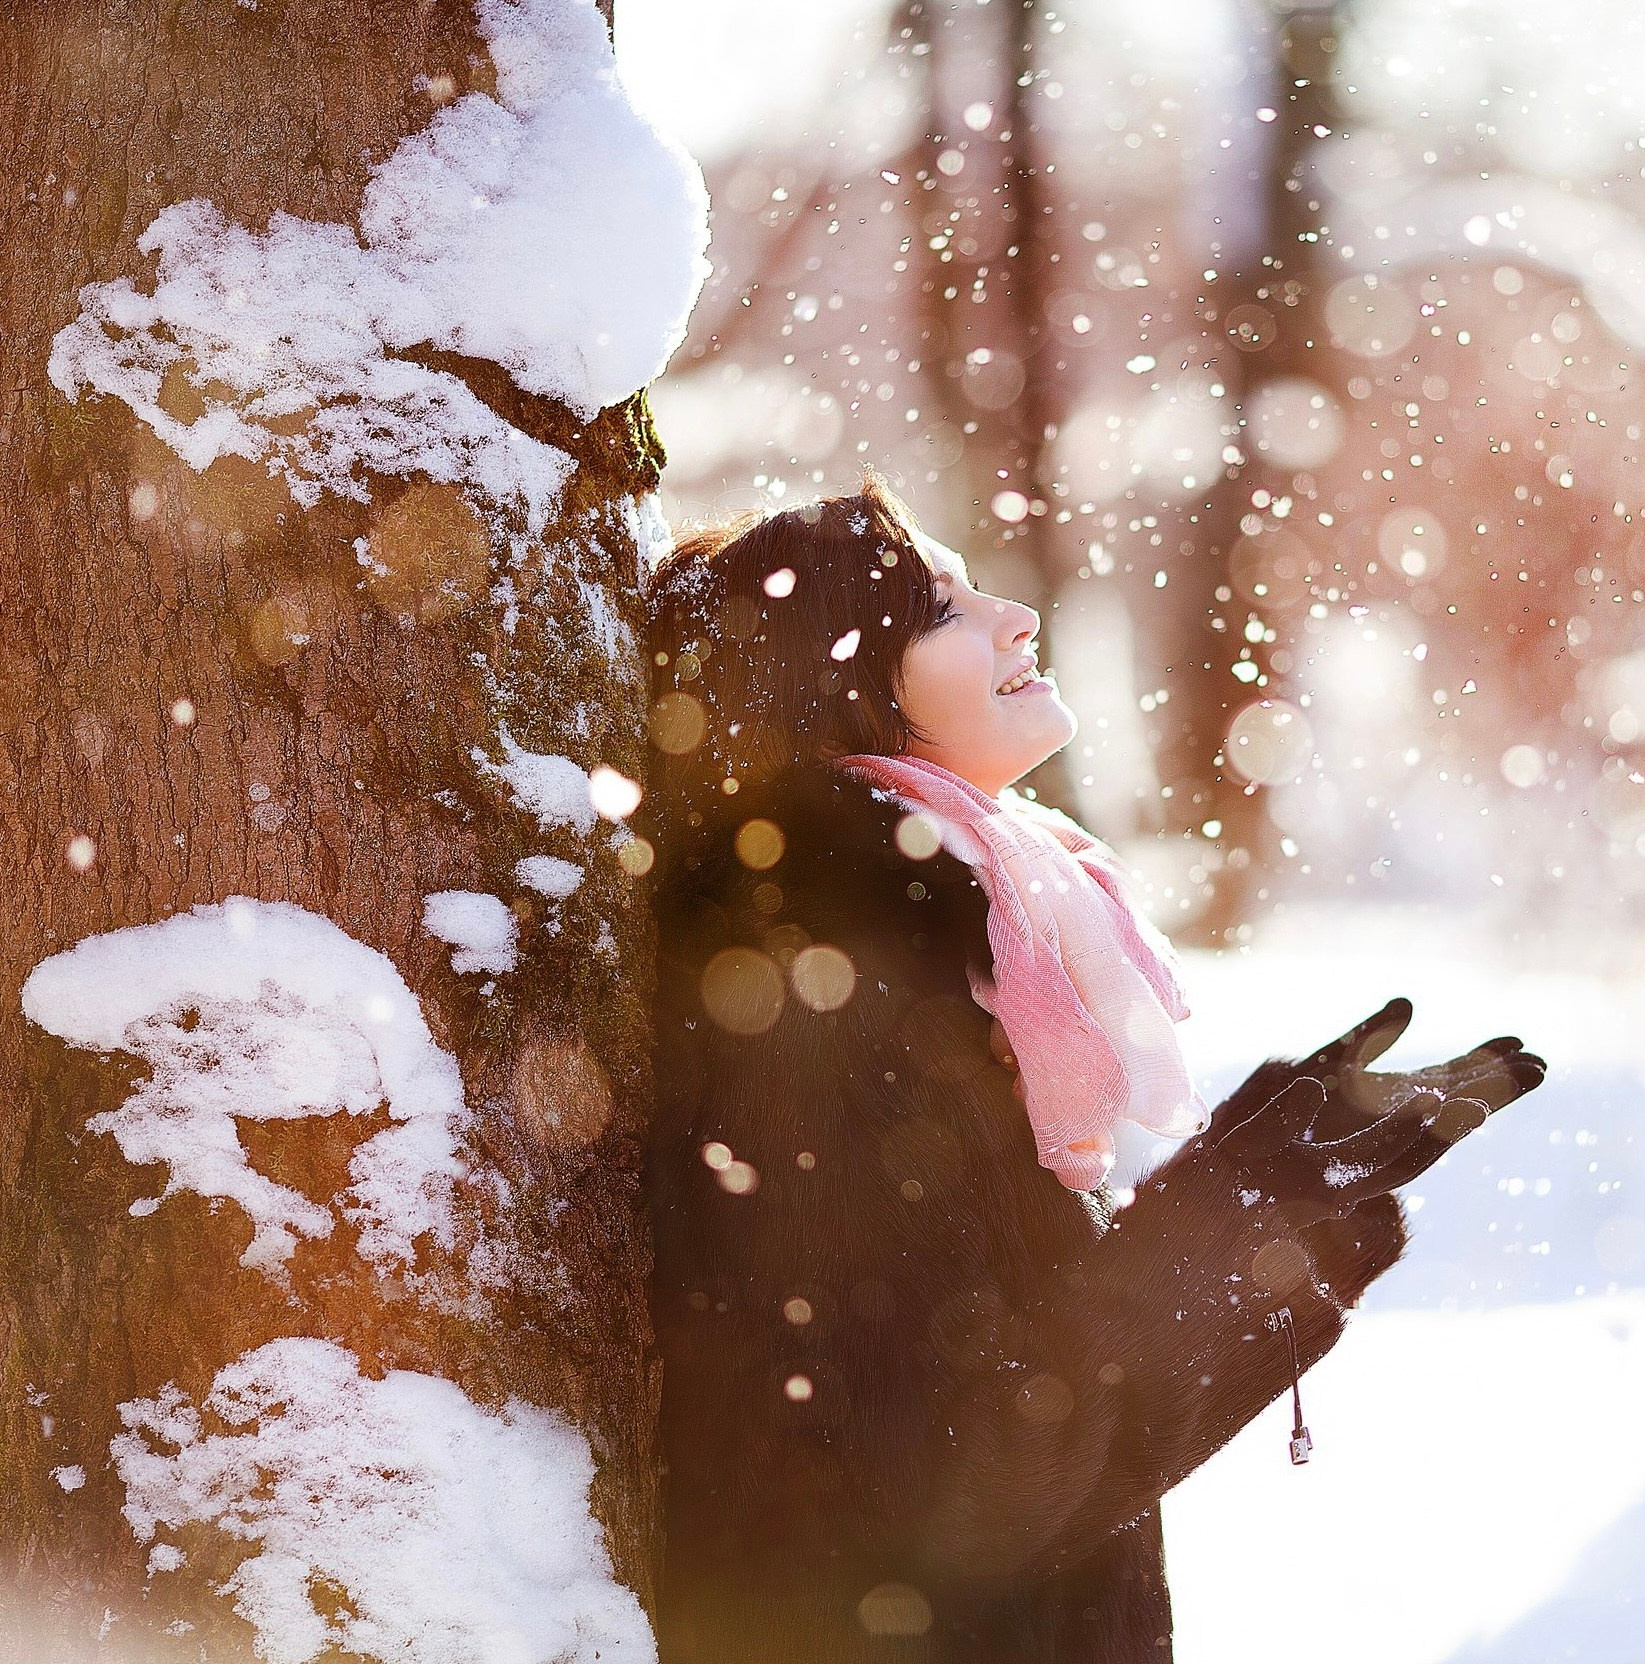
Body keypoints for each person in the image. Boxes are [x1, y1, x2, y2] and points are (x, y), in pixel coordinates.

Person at [642, 474, 1543, 1663]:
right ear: (830, 690)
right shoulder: (819, 990)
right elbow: (959, 1482)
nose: (1013, 614)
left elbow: (1013, 1406)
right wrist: (1236, 1213)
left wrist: (1255, 1180)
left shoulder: (923, 955)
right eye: (940, 606)